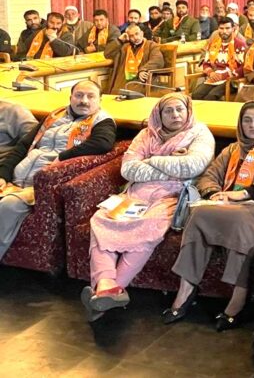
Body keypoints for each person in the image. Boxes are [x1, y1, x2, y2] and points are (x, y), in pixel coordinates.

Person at [81, 94, 214, 322]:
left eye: (179, 109)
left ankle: (105, 295)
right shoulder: (146, 135)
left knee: (148, 228)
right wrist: (171, 162)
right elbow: (128, 170)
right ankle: (106, 285)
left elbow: (192, 166)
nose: (175, 115)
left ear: (188, 111)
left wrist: (151, 160)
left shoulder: (199, 133)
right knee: (101, 219)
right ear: (159, 115)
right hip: (136, 193)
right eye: (168, 111)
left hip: (171, 195)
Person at [165, 102, 254, 330]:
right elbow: (209, 176)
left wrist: (241, 195)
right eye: (247, 120)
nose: (253, 125)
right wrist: (216, 195)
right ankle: (186, 288)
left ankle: (239, 295)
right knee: (198, 214)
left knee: (239, 220)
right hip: (227, 206)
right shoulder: (232, 149)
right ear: (240, 124)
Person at [0, 80, 116, 260]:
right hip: (17, 178)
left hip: (42, 185)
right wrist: (3, 175)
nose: (84, 101)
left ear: (100, 100)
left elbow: (102, 143)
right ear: (70, 98)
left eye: (90, 96)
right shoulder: (55, 115)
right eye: (78, 95)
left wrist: (63, 156)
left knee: (8, 205)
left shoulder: (102, 120)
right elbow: (24, 145)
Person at [192, 17, 247, 101]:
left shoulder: (240, 44)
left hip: (231, 80)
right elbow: (206, 63)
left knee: (211, 96)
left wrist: (224, 75)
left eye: (227, 28)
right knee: (196, 95)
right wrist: (211, 73)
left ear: (233, 29)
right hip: (214, 77)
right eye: (221, 28)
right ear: (218, 29)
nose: (224, 31)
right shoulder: (213, 43)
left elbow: (243, 67)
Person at [103, 24, 164, 95]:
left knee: (131, 93)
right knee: (115, 93)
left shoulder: (151, 45)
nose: (135, 38)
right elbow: (107, 54)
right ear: (128, 37)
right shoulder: (124, 47)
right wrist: (120, 40)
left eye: (137, 34)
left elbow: (157, 60)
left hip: (140, 81)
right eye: (131, 36)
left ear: (142, 33)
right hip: (123, 81)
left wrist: (144, 69)